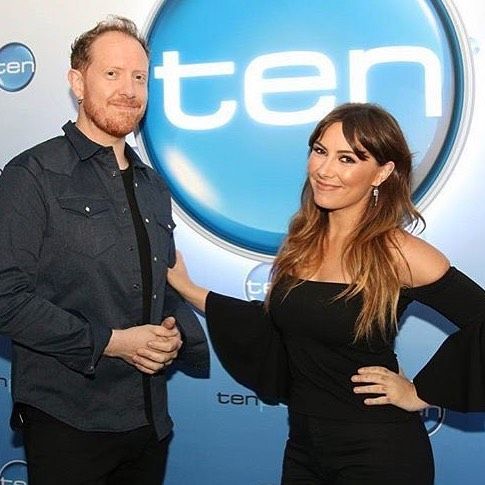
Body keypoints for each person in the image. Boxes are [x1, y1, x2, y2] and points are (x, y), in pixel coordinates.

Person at [167, 102, 485, 484]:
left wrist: (420, 393)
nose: (324, 169)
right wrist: (189, 289)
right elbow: (269, 326)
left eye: (347, 158)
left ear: (382, 172)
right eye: (320, 151)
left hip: (379, 451)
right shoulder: (300, 243)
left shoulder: (399, 253)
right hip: (303, 448)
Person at [0, 16, 208, 485]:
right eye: (112, 74)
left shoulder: (153, 185)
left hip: (149, 422)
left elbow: (156, 285)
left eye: (139, 77)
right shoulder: (32, 174)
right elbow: (5, 298)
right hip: (68, 423)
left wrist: (173, 333)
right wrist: (112, 342)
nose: (128, 90)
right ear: (78, 83)